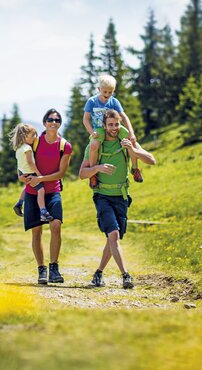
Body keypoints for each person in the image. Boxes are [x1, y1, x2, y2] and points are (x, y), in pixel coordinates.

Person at [79, 109, 156, 289]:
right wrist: (97, 168)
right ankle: (125, 275)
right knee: (113, 235)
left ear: (120, 124)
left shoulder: (125, 142)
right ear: (104, 126)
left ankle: (98, 273)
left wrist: (132, 149)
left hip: (121, 197)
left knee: (112, 239)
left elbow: (152, 160)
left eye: (116, 124)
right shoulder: (96, 144)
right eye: (110, 125)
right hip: (102, 196)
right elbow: (82, 174)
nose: (114, 128)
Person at [19, 109, 72, 285]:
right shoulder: (35, 142)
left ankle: (54, 267)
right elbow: (23, 162)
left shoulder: (65, 145)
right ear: (44, 122)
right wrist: (20, 176)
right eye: (50, 119)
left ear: (60, 123)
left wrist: (40, 178)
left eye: (57, 120)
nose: (53, 122)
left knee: (56, 225)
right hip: (33, 192)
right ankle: (41, 269)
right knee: (37, 232)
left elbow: (61, 173)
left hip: (53, 191)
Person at [83, 74, 143, 186]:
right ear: (99, 89)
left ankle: (135, 169)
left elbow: (124, 117)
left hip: (114, 126)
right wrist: (92, 132)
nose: (107, 95)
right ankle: (93, 174)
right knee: (94, 145)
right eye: (104, 92)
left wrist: (131, 132)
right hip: (100, 129)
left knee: (132, 141)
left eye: (110, 92)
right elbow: (85, 119)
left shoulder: (114, 102)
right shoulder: (91, 101)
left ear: (113, 91)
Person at [9, 123, 53, 222]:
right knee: (41, 190)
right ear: (24, 136)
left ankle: (19, 203)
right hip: (30, 172)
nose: (35, 137)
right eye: (33, 135)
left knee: (28, 187)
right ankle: (43, 212)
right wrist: (38, 173)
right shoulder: (28, 148)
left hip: (23, 172)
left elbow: (19, 162)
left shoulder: (18, 148)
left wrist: (19, 174)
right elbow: (30, 162)